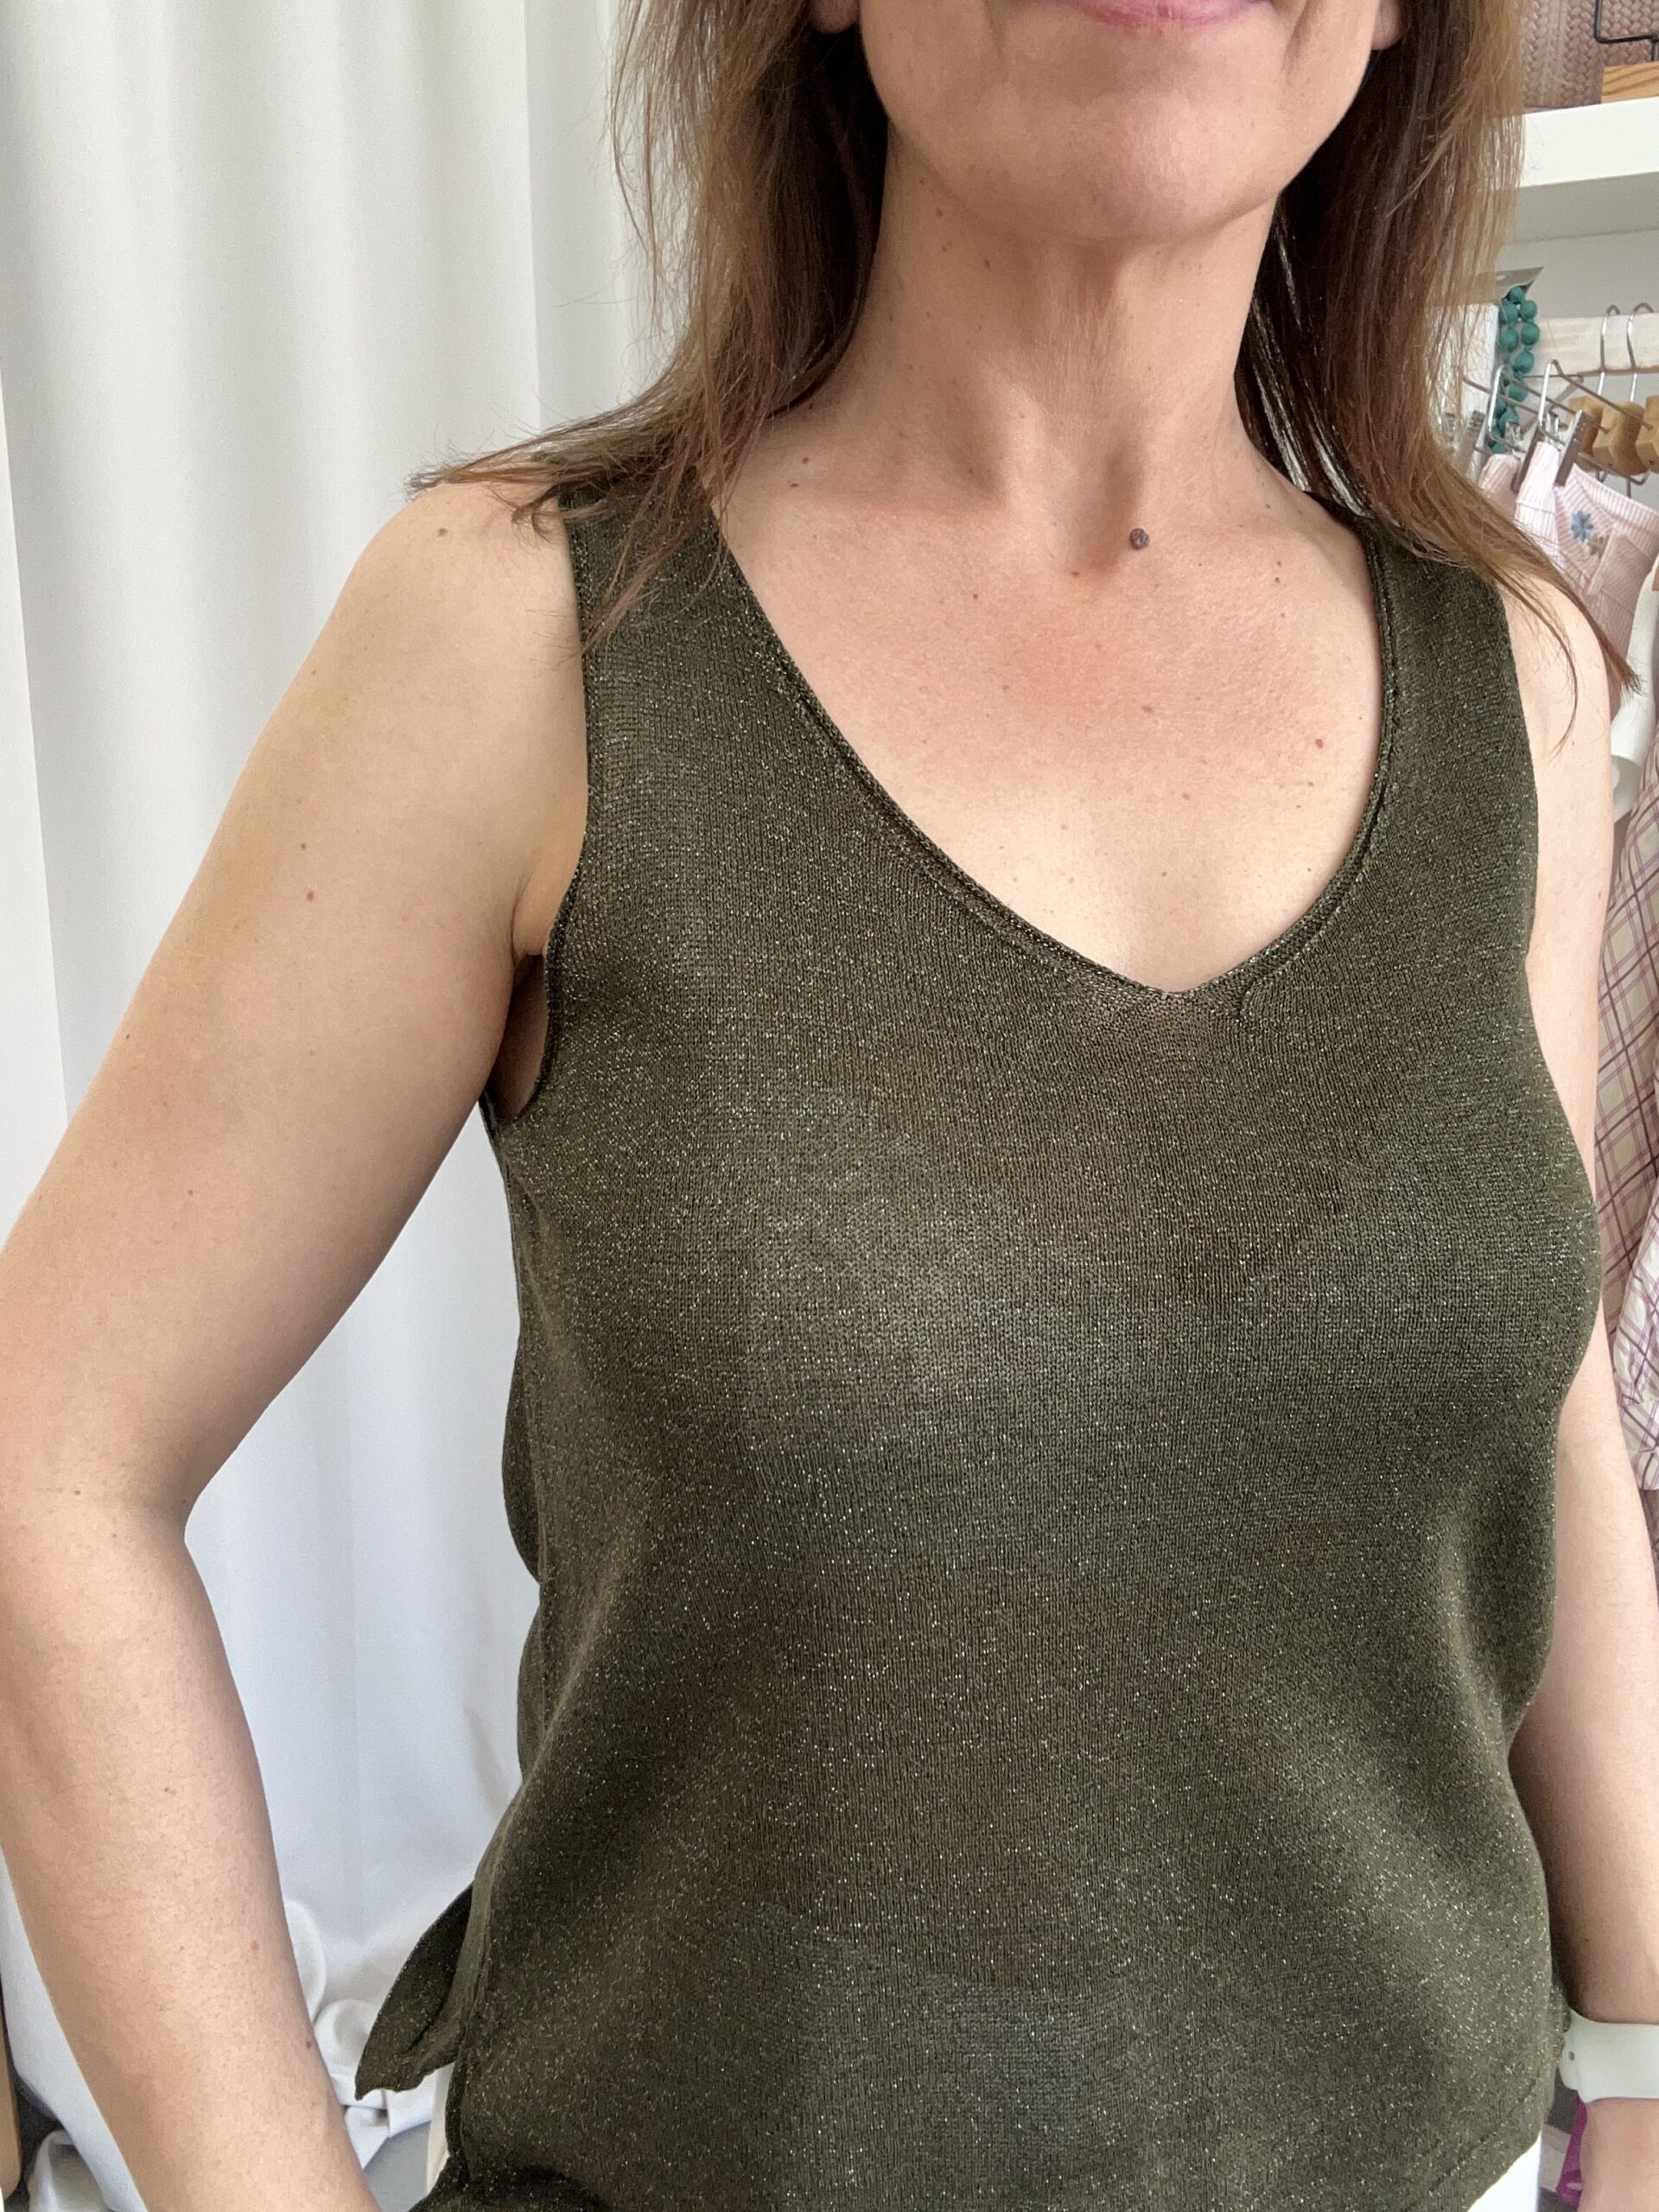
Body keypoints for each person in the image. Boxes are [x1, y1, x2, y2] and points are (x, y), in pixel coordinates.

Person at [2, 0, 1657, 2207]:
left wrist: (1649, 2055)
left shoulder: (1514, 675)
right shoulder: (531, 635)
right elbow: (49, 1451)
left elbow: (1541, 1399)